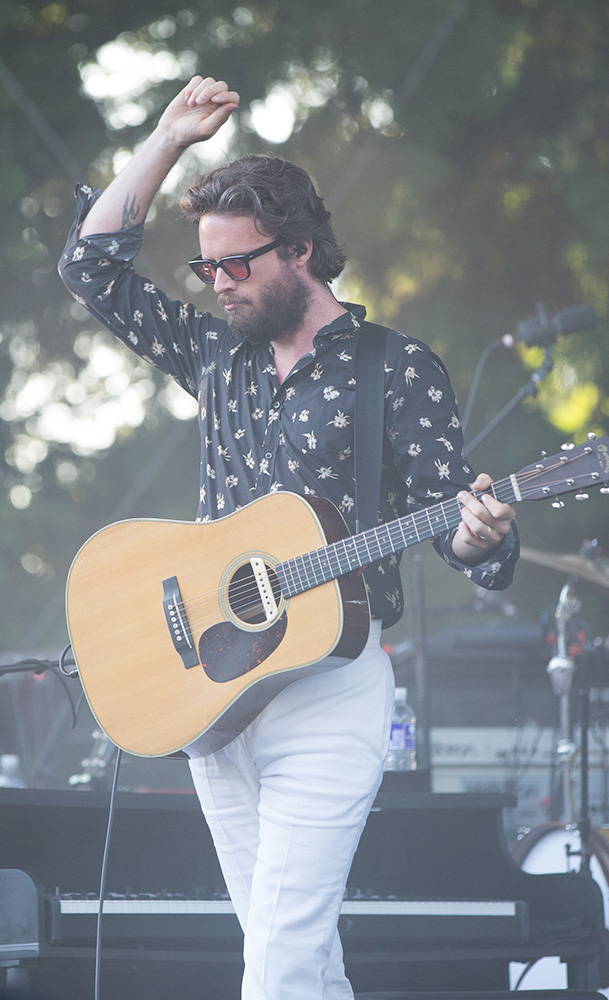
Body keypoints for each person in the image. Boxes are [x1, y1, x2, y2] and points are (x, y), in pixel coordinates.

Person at [59, 76, 519, 1000]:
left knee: (277, 960)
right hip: (213, 694)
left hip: (328, 690)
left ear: (302, 250)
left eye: (237, 265)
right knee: (294, 958)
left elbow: (464, 534)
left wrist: (480, 536)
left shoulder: (396, 369)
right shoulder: (217, 355)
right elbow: (89, 269)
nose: (220, 284)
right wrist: (166, 140)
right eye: (207, 270)